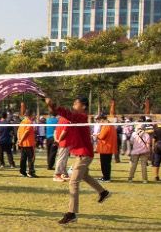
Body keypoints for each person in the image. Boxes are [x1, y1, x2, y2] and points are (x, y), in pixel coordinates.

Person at [45, 96, 110, 225]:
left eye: (76, 103)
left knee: (73, 182)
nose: (74, 105)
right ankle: (103, 192)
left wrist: (53, 105)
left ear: (83, 106)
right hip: (80, 153)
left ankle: (71, 213)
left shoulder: (81, 117)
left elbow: (67, 114)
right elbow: (66, 116)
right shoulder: (76, 118)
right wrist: (52, 106)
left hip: (84, 154)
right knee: (84, 175)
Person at [96, 115, 117, 182]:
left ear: (102, 119)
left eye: (99, 121)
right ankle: (105, 177)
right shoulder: (110, 125)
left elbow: (101, 136)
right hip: (108, 146)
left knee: (104, 163)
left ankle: (106, 178)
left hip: (105, 147)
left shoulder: (106, 125)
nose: (99, 123)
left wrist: (97, 135)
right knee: (107, 163)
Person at [17, 110, 37, 178]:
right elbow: (26, 132)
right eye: (33, 114)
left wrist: (19, 140)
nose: (34, 116)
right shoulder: (29, 122)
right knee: (31, 158)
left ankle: (22, 172)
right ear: (30, 115)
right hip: (28, 144)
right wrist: (21, 141)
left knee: (23, 158)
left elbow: (18, 131)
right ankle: (30, 172)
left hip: (23, 144)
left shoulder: (22, 122)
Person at [53, 116, 71, 182]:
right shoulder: (67, 121)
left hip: (61, 142)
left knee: (63, 159)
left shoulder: (60, 119)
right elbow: (64, 131)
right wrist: (59, 140)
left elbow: (55, 131)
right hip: (64, 143)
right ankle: (57, 175)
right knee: (61, 159)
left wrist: (56, 140)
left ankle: (64, 174)